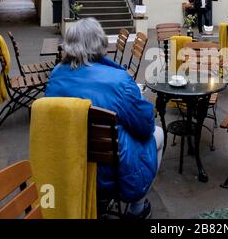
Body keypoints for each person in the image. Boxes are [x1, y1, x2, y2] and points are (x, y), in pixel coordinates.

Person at [45, 18, 163, 219]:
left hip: (70, 161)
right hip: (111, 169)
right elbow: (145, 126)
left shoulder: (56, 74)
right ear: (100, 43)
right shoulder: (119, 80)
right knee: (157, 133)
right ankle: (138, 208)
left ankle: (97, 200)